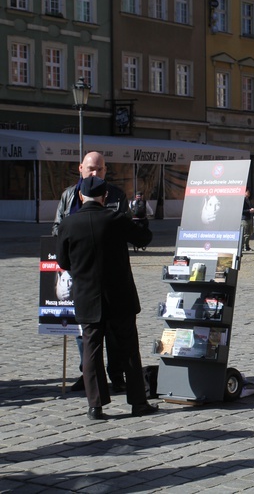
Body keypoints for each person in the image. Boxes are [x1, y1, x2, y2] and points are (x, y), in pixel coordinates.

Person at [56, 176, 158, 420]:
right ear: (104, 197)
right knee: (128, 350)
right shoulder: (115, 219)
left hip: (87, 297)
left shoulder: (68, 224)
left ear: (80, 197)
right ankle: (137, 402)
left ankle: (96, 405)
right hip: (119, 297)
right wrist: (140, 218)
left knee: (91, 352)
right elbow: (144, 239)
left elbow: (63, 262)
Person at [51, 151, 128, 393]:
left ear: (106, 171)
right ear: (80, 169)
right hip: (79, 273)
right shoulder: (68, 195)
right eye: (91, 169)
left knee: (114, 331)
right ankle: (89, 375)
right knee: (82, 329)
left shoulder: (116, 195)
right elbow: (57, 226)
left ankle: (116, 375)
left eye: (100, 169)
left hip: (109, 274)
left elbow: (126, 229)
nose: (95, 173)